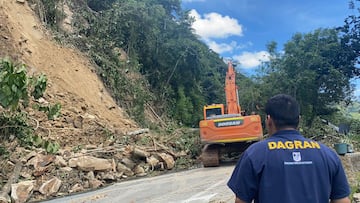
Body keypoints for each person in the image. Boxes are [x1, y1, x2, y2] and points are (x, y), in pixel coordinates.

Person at [227, 94, 350, 203]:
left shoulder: (254, 154)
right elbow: (342, 199)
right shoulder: (327, 154)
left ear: (269, 120)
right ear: (299, 120)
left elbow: (242, 200)